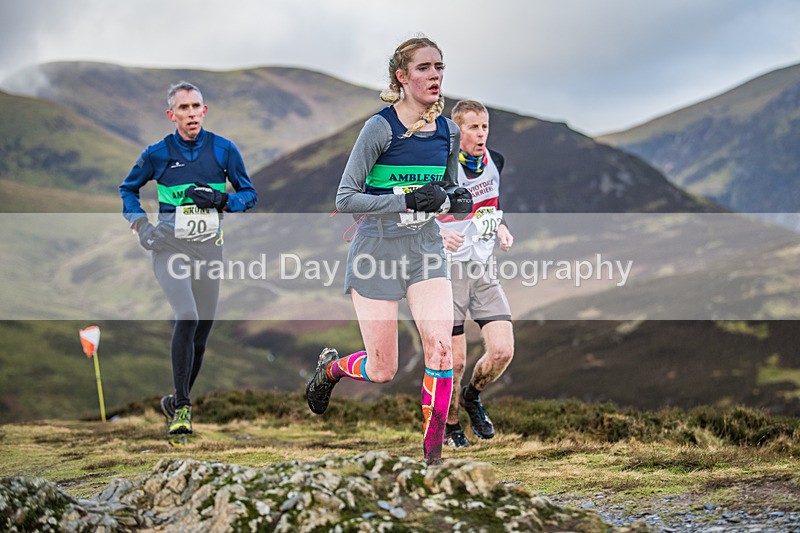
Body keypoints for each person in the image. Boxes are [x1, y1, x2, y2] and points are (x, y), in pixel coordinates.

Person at [304, 36, 472, 465]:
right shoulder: (380, 127)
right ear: (402, 76)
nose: (435, 75)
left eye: (440, 67)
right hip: (376, 249)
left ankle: (433, 462)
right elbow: (346, 198)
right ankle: (330, 370)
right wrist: (408, 200)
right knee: (382, 370)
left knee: (441, 349)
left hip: (425, 248)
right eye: (424, 68)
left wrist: (457, 199)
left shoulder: (448, 131)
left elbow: (449, 187)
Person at [119, 81, 257, 436]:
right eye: (184, 108)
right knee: (187, 315)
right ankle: (183, 408)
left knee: (202, 332)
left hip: (209, 250)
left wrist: (222, 201)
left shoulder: (224, 150)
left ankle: (174, 399)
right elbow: (128, 189)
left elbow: (249, 194)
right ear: (171, 115)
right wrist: (140, 225)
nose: (191, 113)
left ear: (205, 110)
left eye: (196, 106)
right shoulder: (157, 154)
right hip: (169, 248)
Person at [436, 100, 514, 448]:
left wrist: (501, 228)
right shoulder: (440, 166)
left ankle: (472, 395)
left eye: (484, 126)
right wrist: (439, 233)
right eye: (473, 127)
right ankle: (451, 427)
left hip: (483, 270)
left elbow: (490, 206)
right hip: (446, 273)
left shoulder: (494, 161)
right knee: (454, 360)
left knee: (502, 351)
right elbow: (412, 210)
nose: (481, 134)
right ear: (457, 130)